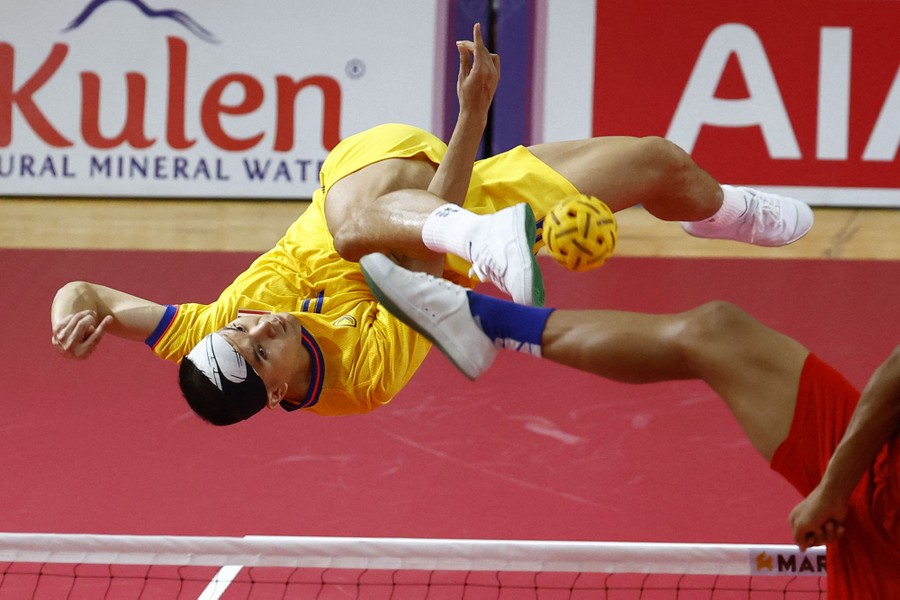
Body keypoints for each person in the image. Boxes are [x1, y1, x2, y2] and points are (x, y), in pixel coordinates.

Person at [51, 24, 814, 427]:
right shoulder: (365, 378)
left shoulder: (213, 330)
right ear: (281, 393)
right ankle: (715, 213)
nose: (262, 324)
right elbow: (420, 266)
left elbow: (84, 292)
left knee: (353, 232)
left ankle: (703, 214)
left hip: (363, 180)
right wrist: (472, 118)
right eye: (261, 351)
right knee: (657, 163)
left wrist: (69, 322)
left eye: (243, 331)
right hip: (452, 210)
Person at [357, 251, 900, 599]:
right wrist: (835, 488)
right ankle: (482, 320)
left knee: (717, 333)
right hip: (880, 481)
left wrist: (834, 489)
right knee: (716, 333)